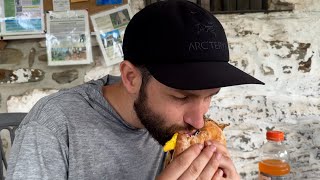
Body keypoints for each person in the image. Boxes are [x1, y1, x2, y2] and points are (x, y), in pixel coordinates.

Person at [7, 0, 264, 179]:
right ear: (131, 78)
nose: (198, 121)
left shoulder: (184, 131)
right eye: (182, 96)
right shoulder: (53, 126)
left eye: (209, 97)